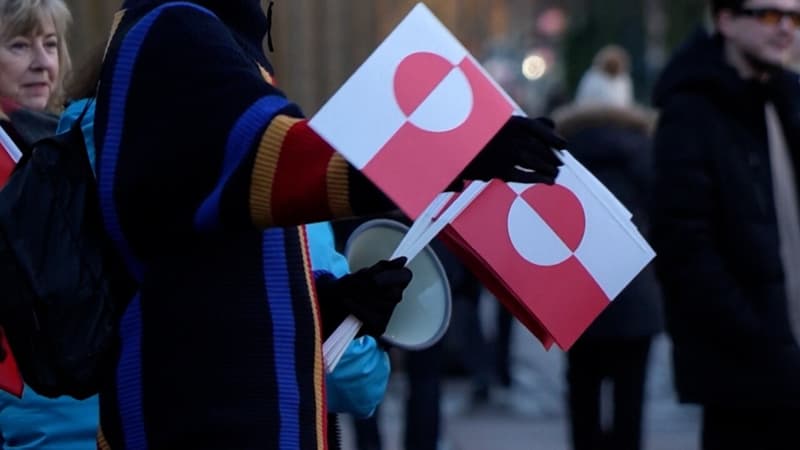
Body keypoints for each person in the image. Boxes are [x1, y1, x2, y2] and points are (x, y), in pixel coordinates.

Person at [92, 1, 566, 448]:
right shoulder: (172, 29)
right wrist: (449, 153)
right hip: (199, 423)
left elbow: (212, 261)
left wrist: (326, 305)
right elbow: (279, 160)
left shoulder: (207, 35)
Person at [651, 1, 800, 449]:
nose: (786, 30)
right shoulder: (691, 110)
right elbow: (684, 245)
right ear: (726, 20)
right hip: (745, 376)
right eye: (770, 16)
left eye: (796, 18)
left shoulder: (790, 99)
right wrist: (760, 336)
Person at [552, 44, 663, 450]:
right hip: (637, 295)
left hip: (577, 294)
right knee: (630, 404)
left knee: (582, 399)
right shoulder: (647, 150)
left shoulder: (561, 155)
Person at [0, 1, 101, 449]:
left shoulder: (66, 135)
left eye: (51, 44)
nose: (42, 62)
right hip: (30, 398)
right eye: (19, 45)